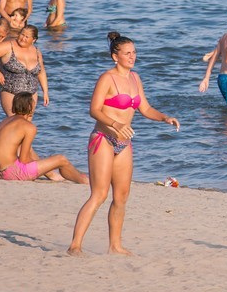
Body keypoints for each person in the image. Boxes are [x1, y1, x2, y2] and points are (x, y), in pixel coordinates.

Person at [68, 32, 180, 256]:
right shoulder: (107, 78)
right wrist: (115, 124)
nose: (132, 56)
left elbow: (145, 108)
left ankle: (115, 246)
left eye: (134, 52)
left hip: (124, 144)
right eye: (127, 53)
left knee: (121, 197)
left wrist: (164, 117)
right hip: (103, 139)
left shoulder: (135, 78)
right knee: (99, 195)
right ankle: (75, 246)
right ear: (114, 56)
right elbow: (94, 110)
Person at [0, 92, 87, 183]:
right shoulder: (28, 127)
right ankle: (84, 180)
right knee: (61, 159)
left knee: (50, 160)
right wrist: (46, 165)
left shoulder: (4, 122)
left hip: (0, 172)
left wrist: (44, 164)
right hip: (12, 173)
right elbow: (24, 160)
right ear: (30, 107)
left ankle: (74, 175)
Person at [0, 25, 49, 116]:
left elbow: (41, 72)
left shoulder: (36, 51)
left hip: (31, 93)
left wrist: (45, 92)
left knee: (27, 123)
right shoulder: (9, 46)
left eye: (26, 37)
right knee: (14, 121)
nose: (22, 38)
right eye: (22, 34)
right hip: (10, 91)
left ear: (34, 40)